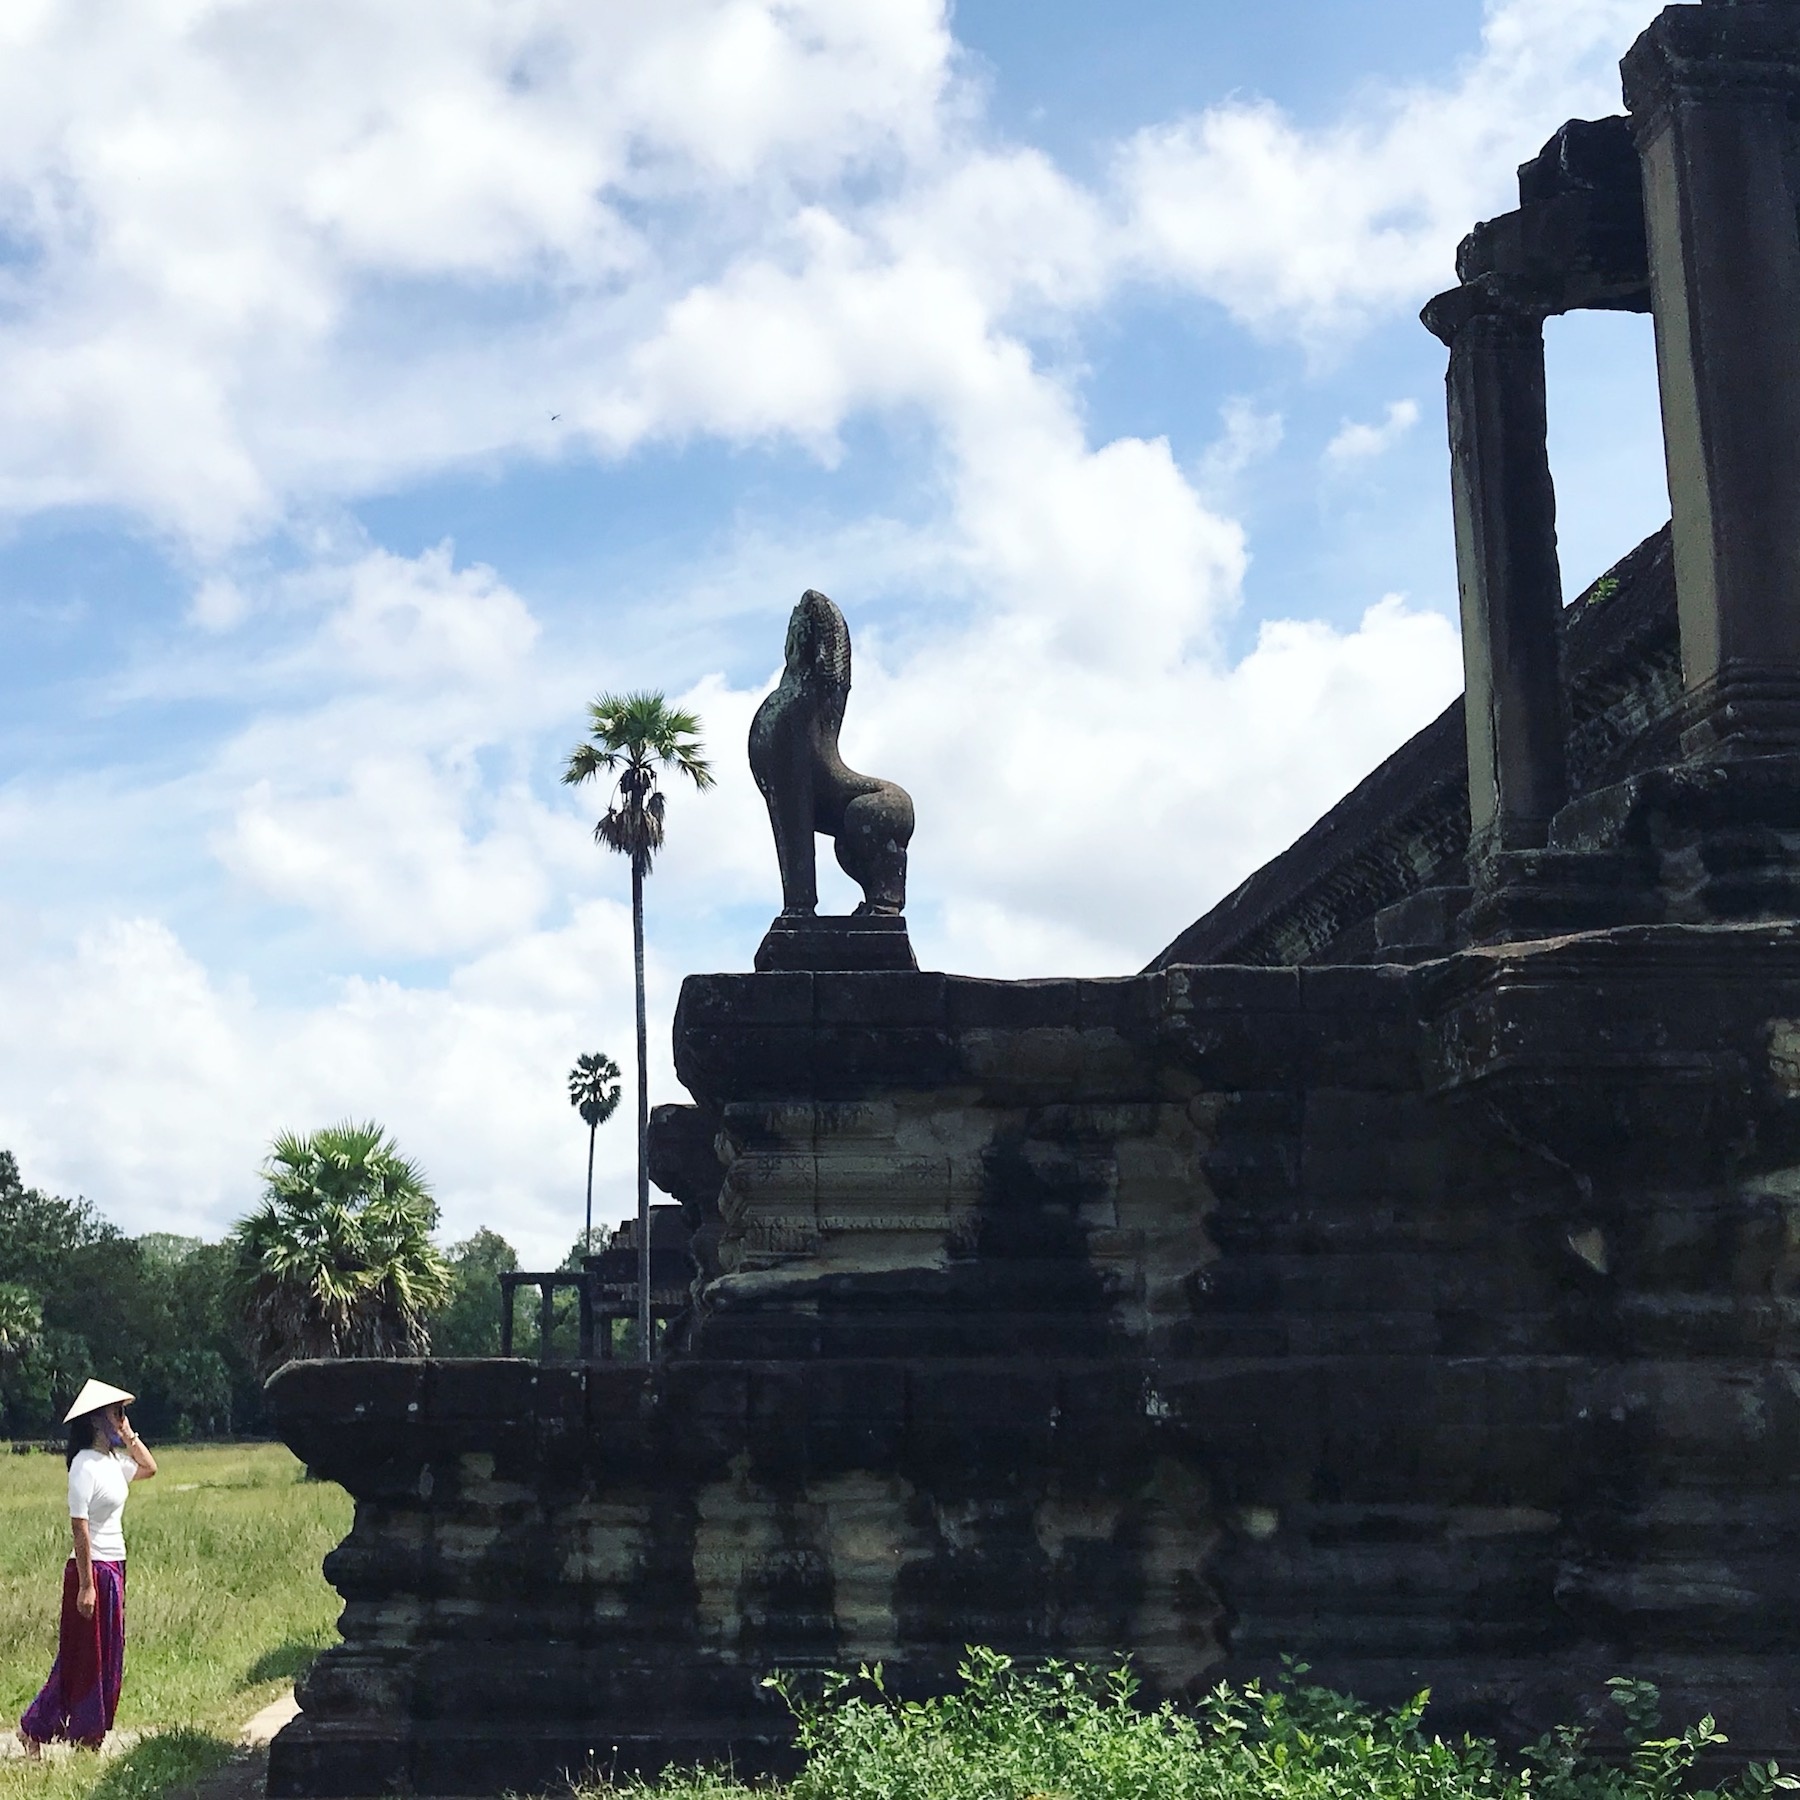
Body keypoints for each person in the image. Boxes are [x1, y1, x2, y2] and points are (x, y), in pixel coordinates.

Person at [15, 1379, 157, 1757]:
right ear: (95, 1419)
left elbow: (149, 1468)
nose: (120, 1417)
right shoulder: (83, 1465)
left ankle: (90, 1734)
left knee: (109, 1655)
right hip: (91, 1570)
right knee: (81, 1657)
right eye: (115, 1413)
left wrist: (128, 1434)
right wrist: (86, 1585)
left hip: (115, 1566)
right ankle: (37, 1729)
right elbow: (79, 1527)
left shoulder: (112, 1462)